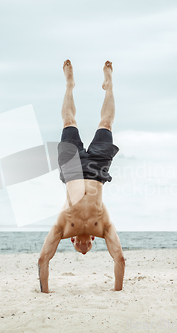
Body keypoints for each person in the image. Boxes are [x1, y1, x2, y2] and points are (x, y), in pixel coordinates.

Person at [37, 60, 125, 293]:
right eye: (88, 247)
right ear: (93, 241)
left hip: (72, 170)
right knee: (106, 124)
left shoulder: (64, 227)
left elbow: (43, 259)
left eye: (80, 247)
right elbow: (120, 258)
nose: (85, 247)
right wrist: (118, 290)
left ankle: (69, 85)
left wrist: (44, 291)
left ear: (73, 241)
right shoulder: (102, 227)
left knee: (69, 122)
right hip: (97, 170)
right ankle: (109, 86)